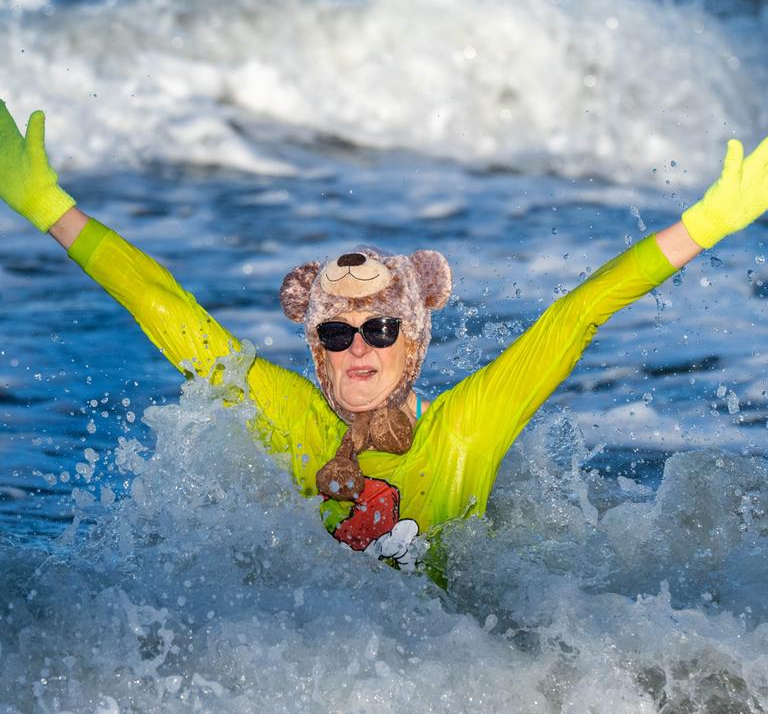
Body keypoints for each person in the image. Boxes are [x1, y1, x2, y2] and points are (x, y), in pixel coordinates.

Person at [1, 100, 767, 574]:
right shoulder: (291, 417)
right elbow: (173, 315)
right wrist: (50, 209)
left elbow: (577, 315)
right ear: (316, 350)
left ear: (414, 344)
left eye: (381, 328)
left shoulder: (469, 427)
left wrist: (702, 226)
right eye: (335, 332)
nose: (358, 346)